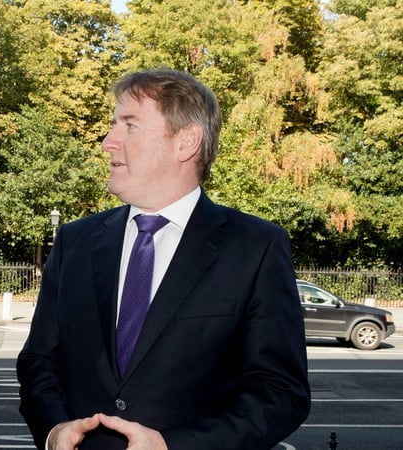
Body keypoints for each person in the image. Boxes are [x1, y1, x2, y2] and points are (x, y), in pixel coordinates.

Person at [16, 68, 310, 450]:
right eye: (112, 125)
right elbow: (39, 360)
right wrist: (54, 430)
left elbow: (281, 393)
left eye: (130, 126)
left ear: (186, 141)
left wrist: (173, 446)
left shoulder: (255, 247)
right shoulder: (76, 241)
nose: (108, 142)